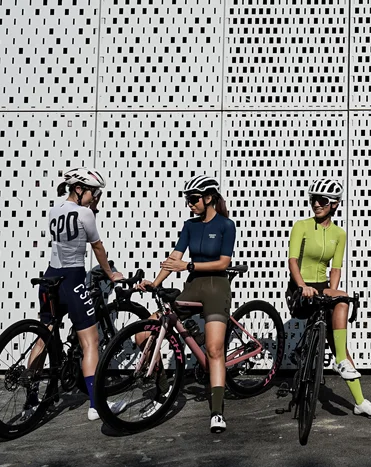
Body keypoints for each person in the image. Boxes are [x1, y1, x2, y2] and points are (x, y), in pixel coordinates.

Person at [137, 174, 236, 433]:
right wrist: (155, 283)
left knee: (214, 349)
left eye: (193, 199)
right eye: (187, 200)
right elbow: (175, 257)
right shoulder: (190, 225)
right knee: (143, 332)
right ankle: (162, 387)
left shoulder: (226, 225)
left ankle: (217, 412)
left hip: (216, 288)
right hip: (193, 287)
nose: (190, 204)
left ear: (209, 198)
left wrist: (188, 266)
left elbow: (224, 262)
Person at [287, 179, 371, 417]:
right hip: (300, 288)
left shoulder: (339, 233)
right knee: (340, 299)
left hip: (322, 288)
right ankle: (341, 361)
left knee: (341, 301)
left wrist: (332, 291)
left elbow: (336, 268)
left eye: (322, 200)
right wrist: (302, 286)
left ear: (334, 204)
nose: (316, 204)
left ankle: (358, 399)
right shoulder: (301, 226)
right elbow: (293, 261)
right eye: (313, 199)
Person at [35, 168, 124, 421]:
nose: (96, 198)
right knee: (90, 342)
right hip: (72, 281)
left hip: (49, 278)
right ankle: (96, 406)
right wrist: (110, 274)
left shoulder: (54, 209)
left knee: (43, 337)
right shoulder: (85, 214)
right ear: (78, 189)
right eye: (94, 193)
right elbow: (97, 247)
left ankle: (31, 398)